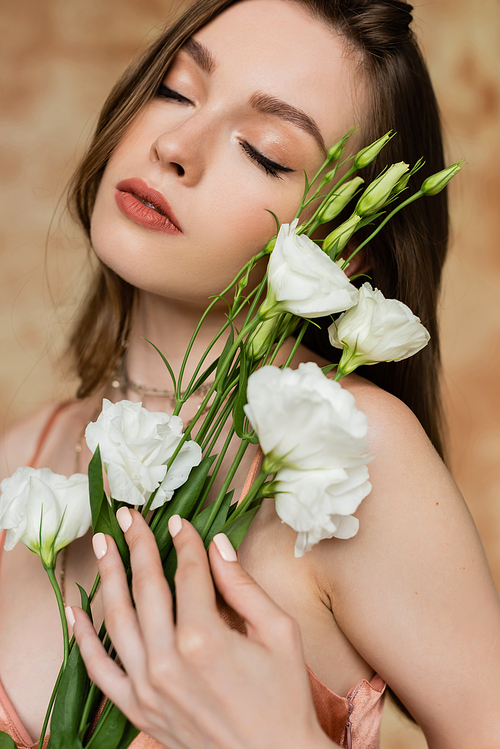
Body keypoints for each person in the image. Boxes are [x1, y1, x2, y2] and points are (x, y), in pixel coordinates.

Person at [0, 0, 499, 747]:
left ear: (345, 249)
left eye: (265, 151)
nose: (176, 144)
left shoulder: (355, 457)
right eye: (174, 88)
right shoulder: (23, 457)